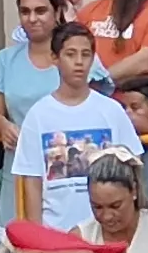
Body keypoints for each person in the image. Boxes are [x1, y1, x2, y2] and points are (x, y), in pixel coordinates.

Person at [10, 23, 140, 224]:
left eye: (85, 54)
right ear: (55, 58)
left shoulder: (112, 111)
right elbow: (32, 182)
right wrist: (38, 238)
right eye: (70, 54)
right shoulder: (38, 115)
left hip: (108, 231)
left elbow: (134, 169)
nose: (79, 62)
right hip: (56, 231)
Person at [0, 0, 92, 148]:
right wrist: (4, 127)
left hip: (72, 159)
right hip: (19, 161)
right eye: (25, 12)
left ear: (57, 13)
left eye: (40, 11)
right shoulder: (5, 60)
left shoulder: (80, 55)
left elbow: (95, 107)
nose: (32, 18)